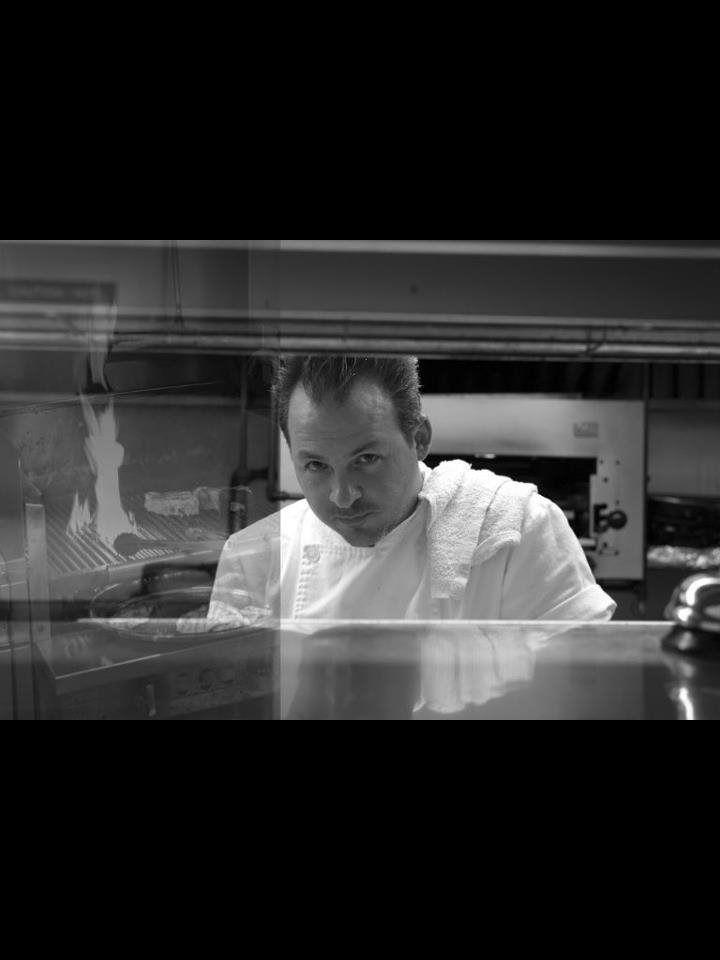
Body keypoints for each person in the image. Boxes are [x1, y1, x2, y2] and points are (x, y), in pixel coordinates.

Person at [208, 355, 616, 624]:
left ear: (419, 438)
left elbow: (581, 689)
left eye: (366, 459)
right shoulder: (256, 559)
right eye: (315, 466)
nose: (343, 495)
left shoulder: (519, 531)